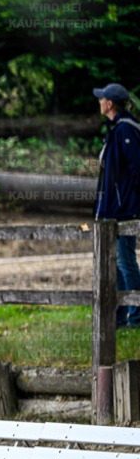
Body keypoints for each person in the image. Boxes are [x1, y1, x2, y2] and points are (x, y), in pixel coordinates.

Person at [93, 82, 140, 328]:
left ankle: (137, 315)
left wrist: (132, 204)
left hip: (124, 210)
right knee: (116, 265)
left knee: (125, 262)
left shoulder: (125, 130)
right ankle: (121, 316)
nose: (99, 102)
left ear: (109, 103)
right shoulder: (115, 130)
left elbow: (136, 170)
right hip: (112, 209)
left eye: (102, 99)